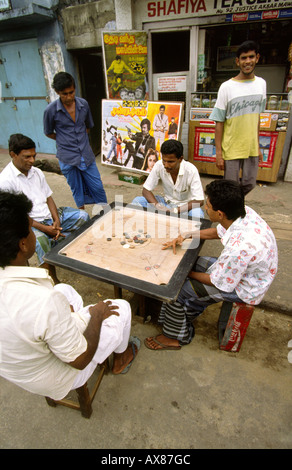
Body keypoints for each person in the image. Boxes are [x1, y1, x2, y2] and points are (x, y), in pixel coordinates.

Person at [0, 190, 140, 401]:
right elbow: (80, 359)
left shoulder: (34, 297)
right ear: (22, 244)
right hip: (60, 374)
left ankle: (74, 322)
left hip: (22, 365)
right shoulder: (43, 302)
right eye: (30, 229)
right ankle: (122, 358)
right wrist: (96, 315)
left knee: (62, 290)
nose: (33, 234)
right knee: (121, 307)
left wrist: (64, 318)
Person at [144, 179, 278, 350]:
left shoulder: (238, 248)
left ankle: (176, 337)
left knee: (176, 290)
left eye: (207, 206)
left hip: (246, 287)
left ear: (220, 213)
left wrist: (183, 274)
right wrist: (187, 234)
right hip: (244, 271)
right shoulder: (242, 214)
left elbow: (217, 281)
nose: (205, 208)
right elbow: (217, 232)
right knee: (187, 263)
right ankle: (184, 312)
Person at [0, 134, 90, 284]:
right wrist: (45, 229)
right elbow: (18, 216)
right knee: (40, 240)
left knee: (83, 217)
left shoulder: (37, 172)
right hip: (31, 224)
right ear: (13, 155)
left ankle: (59, 244)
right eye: (27, 157)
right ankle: (52, 279)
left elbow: (48, 197)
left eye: (34, 156)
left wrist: (56, 220)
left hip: (49, 217)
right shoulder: (5, 181)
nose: (32, 161)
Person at [43, 72, 107, 209]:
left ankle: (106, 214)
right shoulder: (50, 110)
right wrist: (64, 140)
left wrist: (80, 139)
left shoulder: (83, 104)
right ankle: (83, 216)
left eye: (71, 92)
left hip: (86, 154)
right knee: (76, 189)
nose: (69, 97)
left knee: (97, 187)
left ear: (74, 88)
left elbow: (88, 126)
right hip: (67, 157)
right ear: (57, 92)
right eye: (64, 94)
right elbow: (48, 132)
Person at [210, 41, 266, 195]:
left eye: (251, 57)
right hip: (232, 147)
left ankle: (233, 205)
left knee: (250, 183)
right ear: (237, 61)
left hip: (251, 147)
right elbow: (219, 122)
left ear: (257, 58)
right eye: (243, 58)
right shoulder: (227, 87)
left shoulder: (261, 84)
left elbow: (257, 118)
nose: (247, 61)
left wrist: (259, 146)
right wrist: (219, 153)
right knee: (231, 186)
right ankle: (231, 211)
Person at [132, 139, 204, 219]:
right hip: (165, 203)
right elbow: (146, 190)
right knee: (137, 201)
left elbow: (199, 200)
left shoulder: (191, 170)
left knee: (197, 214)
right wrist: (158, 206)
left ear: (180, 159)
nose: (166, 165)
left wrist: (176, 210)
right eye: (164, 160)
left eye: (170, 162)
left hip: (185, 207)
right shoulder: (159, 165)